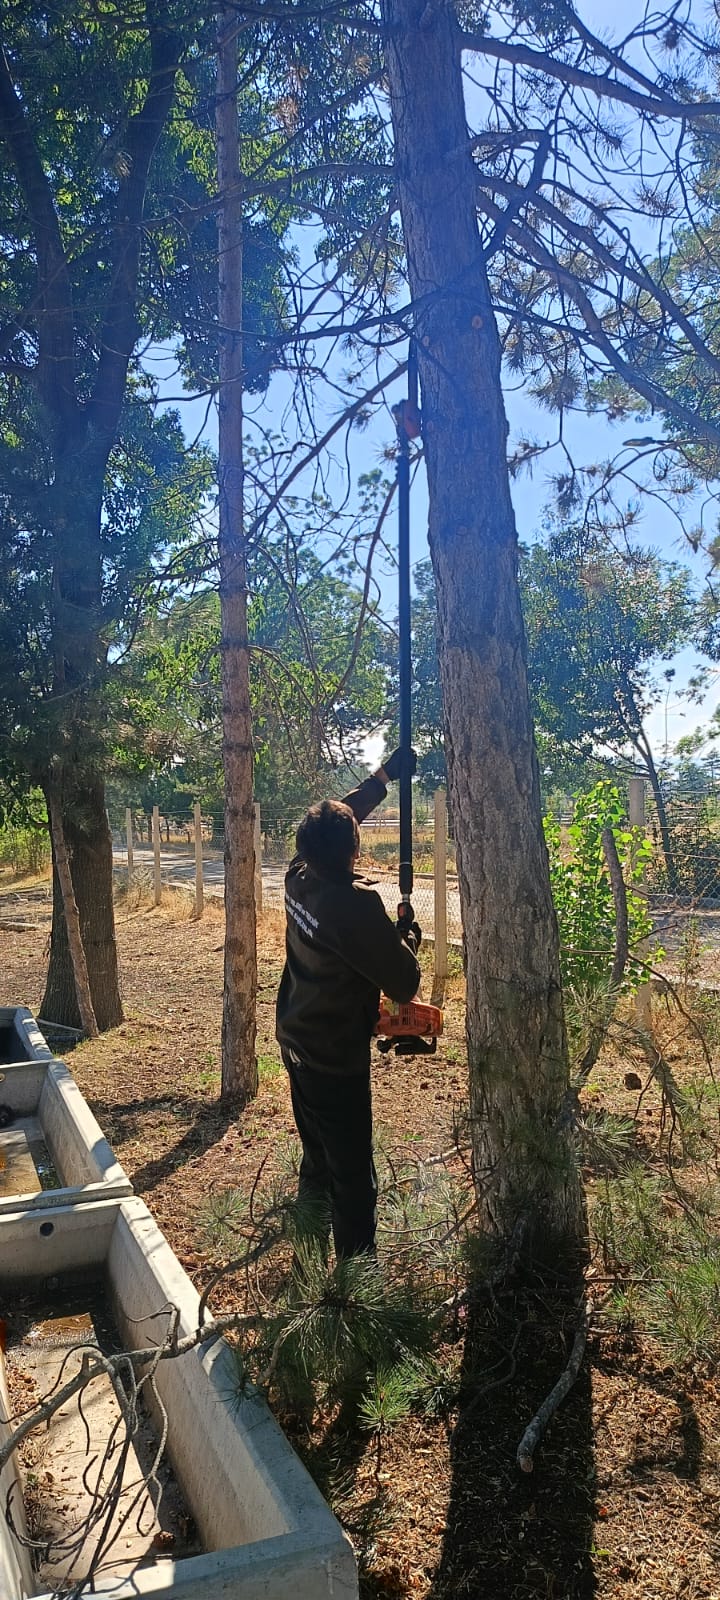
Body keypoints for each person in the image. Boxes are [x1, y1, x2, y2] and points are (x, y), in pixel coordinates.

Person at [276, 751, 421, 1259]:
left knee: (317, 1159)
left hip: (296, 1040)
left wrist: (382, 778)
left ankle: (308, 1258)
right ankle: (355, 1285)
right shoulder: (354, 906)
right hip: (334, 1061)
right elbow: (405, 983)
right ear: (353, 850)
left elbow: (339, 818)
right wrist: (401, 941)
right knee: (354, 1178)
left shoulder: (299, 874)